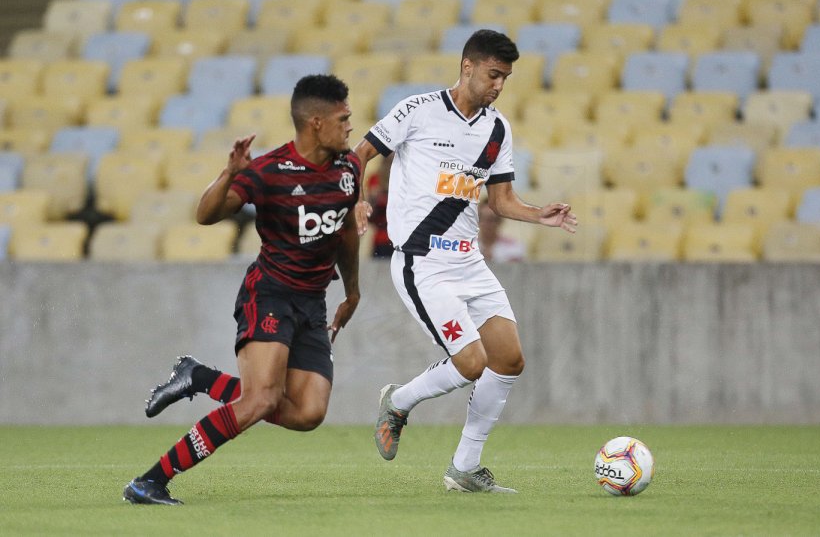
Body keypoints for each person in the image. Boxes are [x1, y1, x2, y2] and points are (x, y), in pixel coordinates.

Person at [351, 30, 578, 493]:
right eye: (494, 74)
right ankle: (399, 402)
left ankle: (465, 469)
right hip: (422, 262)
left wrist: (540, 215)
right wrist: (355, 199)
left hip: (469, 263)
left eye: (506, 78)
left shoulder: (498, 129)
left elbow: (501, 200)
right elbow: (362, 154)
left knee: (509, 359)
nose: (498, 85)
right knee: (472, 361)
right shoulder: (417, 110)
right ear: (468, 66)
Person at [123, 74, 362, 505]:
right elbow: (205, 215)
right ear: (315, 123)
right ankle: (151, 480)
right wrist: (229, 172)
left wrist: (353, 290)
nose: (350, 126)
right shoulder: (271, 171)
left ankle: (199, 377)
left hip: (313, 302)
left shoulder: (349, 169)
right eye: (343, 118)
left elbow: (345, 229)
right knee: (263, 400)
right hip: (268, 294)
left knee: (308, 413)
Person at [478, 196, 527, 263]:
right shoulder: (467, 247)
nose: (488, 225)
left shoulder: (514, 247)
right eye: (484, 219)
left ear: (500, 222)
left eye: (492, 220)